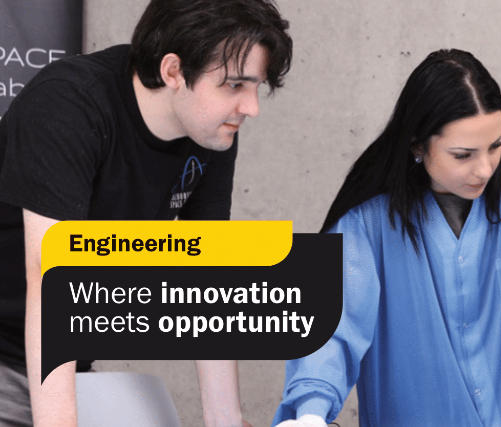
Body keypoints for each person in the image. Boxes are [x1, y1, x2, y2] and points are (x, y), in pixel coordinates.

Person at [272, 49, 501, 427]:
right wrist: (311, 415)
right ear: (417, 144)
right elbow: (332, 328)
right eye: (463, 155)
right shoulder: (367, 219)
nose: (484, 169)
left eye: (495, 145)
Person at [0, 0, 293, 426]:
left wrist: (225, 419)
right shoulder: (69, 103)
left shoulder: (209, 132)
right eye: (234, 85)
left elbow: (207, 272)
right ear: (174, 71)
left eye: (257, 87)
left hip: (67, 362)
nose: (251, 107)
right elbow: (52, 278)